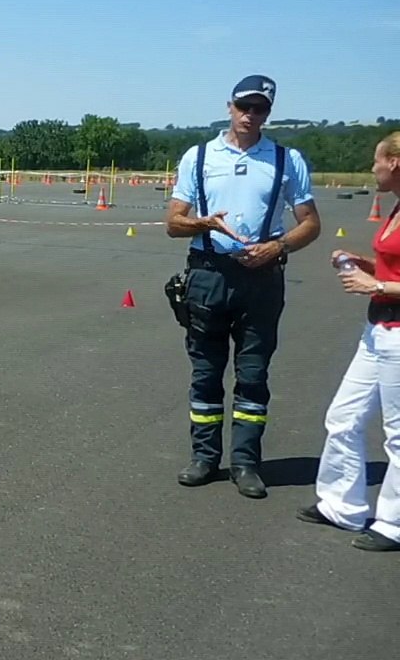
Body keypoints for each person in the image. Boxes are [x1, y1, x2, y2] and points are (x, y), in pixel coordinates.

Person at [164, 74, 321, 499]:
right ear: (229, 107)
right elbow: (173, 222)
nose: (250, 115)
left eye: (260, 109)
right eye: (244, 106)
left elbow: (310, 223)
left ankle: (246, 463)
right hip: (208, 274)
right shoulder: (199, 156)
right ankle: (204, 457)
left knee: (253, 374)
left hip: (261, 278)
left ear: (268, 113)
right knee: (205, 372)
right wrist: (204, 223)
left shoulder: (287, 159)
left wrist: (278, 246)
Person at [297, 131, 400, 552]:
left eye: (376, 161)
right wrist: (367, 264)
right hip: (378, 329)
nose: (371, 169)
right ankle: (342, 505)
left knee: (397, 433)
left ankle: (394, 523)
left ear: (394, 163)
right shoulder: (396, 206)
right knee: (343, 416)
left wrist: (376, 284)